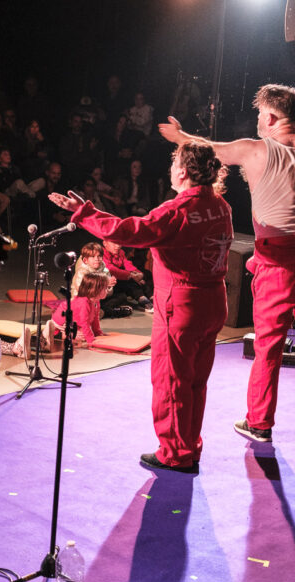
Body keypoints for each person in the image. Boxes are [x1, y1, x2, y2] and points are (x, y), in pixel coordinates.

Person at [159, 83, 295, 445]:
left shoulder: (255, 150)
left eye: (258, 115)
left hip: (279, 262)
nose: (257, 120)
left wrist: (179, 136)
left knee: (269, 346)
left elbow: (210, 149)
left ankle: (260, 423)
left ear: (269, 117)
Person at [51, 142, 233, 471]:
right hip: (214, 302)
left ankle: (175, 454)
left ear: (182, 172)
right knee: (195, 382)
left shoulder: (176, 211)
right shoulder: (220, 205)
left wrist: (84, 213)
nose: (170, 169)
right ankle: (189, 445)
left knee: (172, 381)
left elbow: (128, 231)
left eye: (174, 164)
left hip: (182, 305)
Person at [47, 270, 109, 347]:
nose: (107, 290)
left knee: (85, 334)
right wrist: (90, 339)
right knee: (83, 337)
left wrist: (97, 332)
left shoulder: (96, 301)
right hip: (62, 321)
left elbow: (95, 318)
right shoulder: (84, 302)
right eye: (105, 288)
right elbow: (84, 322)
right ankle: (59, 334)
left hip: (75, 322)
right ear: (95, 289)